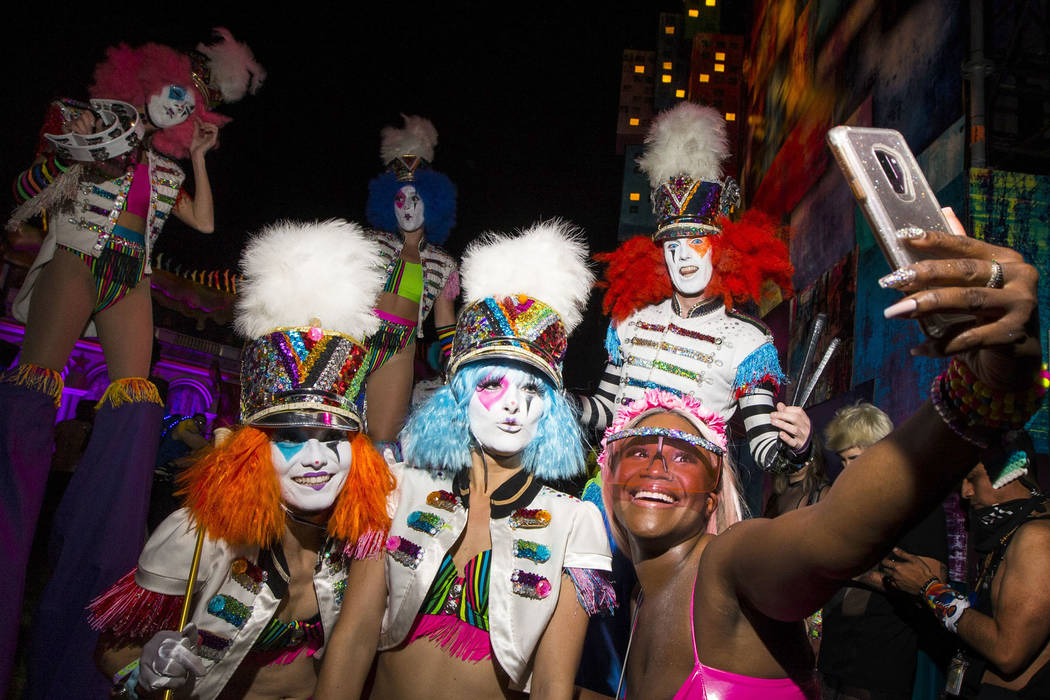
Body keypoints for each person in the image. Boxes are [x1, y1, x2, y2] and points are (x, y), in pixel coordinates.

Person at [599, 216, 1043, 700]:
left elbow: (835, 530)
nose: (656, 464)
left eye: (684, 454)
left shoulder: (728, 569)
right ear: (607, 474)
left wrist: (975, 397)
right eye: (639, 449)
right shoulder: (626, 601)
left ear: (713, 494)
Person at [1, 29, 265, 698]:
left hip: (130, 277)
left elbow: (204, 224)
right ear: (147, 84)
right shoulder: (94, 133)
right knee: (35, 390)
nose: (180, 108)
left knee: (137, 397)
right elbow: (26, 193)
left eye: (194, 107)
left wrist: (202, 156)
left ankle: (102, 555)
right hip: (77, 259)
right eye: (175, 94)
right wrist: (75, 151)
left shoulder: (172, 168)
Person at [90, 219, 396, 698]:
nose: (316, 457)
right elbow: (113, 650)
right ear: (252, 449)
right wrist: (140, 670)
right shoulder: (201, 535)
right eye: (291, 437)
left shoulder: (358, 537)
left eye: (332, 437)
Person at [316, 221, 616, 699]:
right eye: (492, 383)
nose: (512, 405)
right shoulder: (397, 487)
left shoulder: (575, 525)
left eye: (532, 389)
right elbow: (353, 638)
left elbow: (554, 690)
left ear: (553, 410)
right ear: (458, 394)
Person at [576, 103, 810, 475]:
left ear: (720, 250)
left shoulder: (748, 343)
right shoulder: (630, 322)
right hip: (619, 486)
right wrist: (563, 404)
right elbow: (606, 408)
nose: (682, 255)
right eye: (672, 245)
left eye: (695, 242)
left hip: (692, 498)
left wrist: (796, 444)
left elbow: (766, 449)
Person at [880, 432, 1050, 699]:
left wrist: (929, 588)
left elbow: (1007, 653)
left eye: (973, 479)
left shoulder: (1039, 538)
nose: (965, 492)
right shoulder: (1009, 531)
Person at [818, 402, 951, 699]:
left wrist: (854, 567)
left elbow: (930, 586)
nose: (847, 470)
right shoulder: (850, 504)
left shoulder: (918, 503)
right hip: (833, 665)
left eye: (854, 458)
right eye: (842, 461)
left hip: (878, 671)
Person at [363, 114, 459, 450]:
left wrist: (455, 367)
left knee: (381, 445)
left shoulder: (443, 262)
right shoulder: (369, 244)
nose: (407, 207)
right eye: (399, 199)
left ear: (432, 204)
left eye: (415, 199)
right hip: (359, 339)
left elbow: (445, 323)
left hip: (400, 349)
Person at [763, 435, 831, 518]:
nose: (795, 458)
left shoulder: (823, 493)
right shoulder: (775, 495)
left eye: (800, 452)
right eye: (789, 452)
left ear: (812, 454)